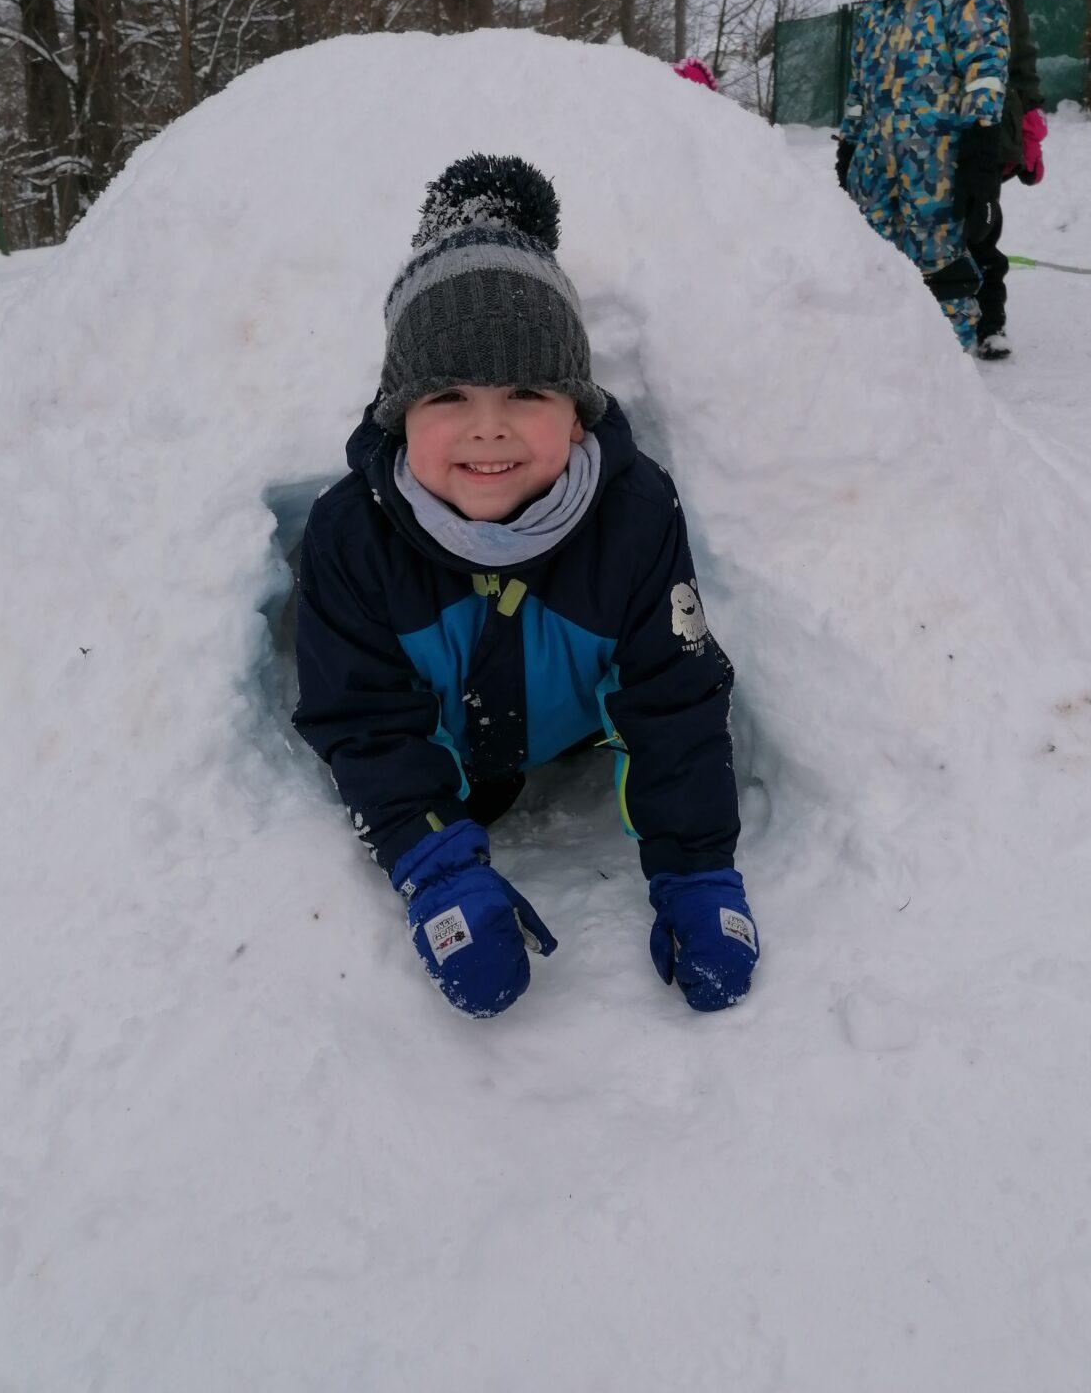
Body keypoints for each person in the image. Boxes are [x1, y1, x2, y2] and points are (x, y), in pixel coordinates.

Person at [292, 153, 758, 1019]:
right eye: (448, 397)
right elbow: (363, 722)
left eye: (527, 391)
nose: (488, 429)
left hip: (574, 737)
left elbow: (674, 698)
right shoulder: (352, 539)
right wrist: (435, 868)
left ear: (577, 411)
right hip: (454, 771)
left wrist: (697, 867)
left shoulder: (632, 517)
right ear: (398, 416)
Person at [835, 0, 1010, 353]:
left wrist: (980, 149)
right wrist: (849, 147)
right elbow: (858, 88)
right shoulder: (877, 9)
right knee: (877, 260)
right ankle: (883, 354)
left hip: (939, 165)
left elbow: (986, 69)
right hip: (874, 164)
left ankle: (945, 370)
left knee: (940, 263)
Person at [962, 0, 1048, 360]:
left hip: (994, 124)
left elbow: (1023, 51)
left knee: (982, 224)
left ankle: (990, 320)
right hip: (941, 124)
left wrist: (1031, 115)